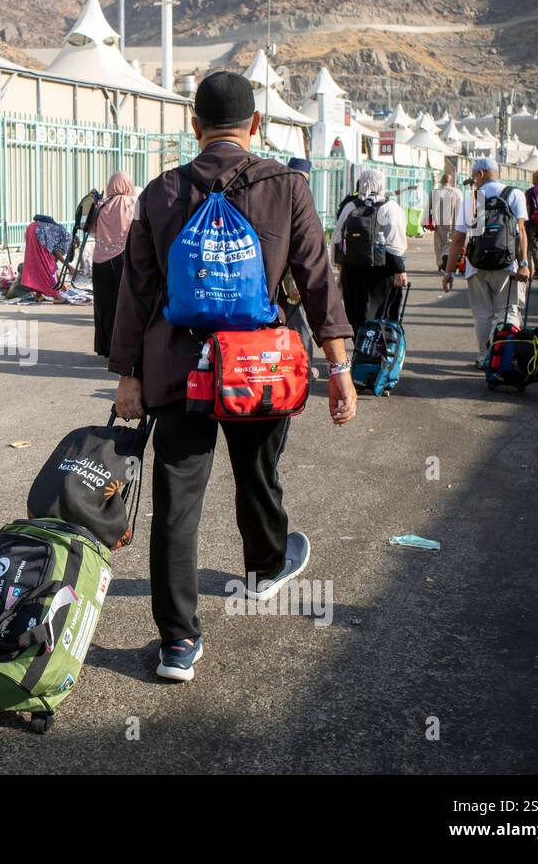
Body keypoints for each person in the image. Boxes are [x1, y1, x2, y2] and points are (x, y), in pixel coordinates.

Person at [110, 70, 356, 682]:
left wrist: (128, 376)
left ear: (194, 128)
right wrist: (340, 366)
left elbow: (135, 293)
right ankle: (266, 568)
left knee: (176, 502)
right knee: (258, 473)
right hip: (257, 368)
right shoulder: (287, 187)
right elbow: (318, 279)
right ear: (256, 126)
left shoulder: (161, 192)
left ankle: (177, 644)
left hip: (177, 368)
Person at [441, 157, 530, 365]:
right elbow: (522, 231)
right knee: (508, 310)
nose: (474, 181)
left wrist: (449, 271)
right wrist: (524, 263)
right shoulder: (514, 194)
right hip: (507, 264)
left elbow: (458, 239)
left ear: (481, 173)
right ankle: (505, 358)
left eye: (474, 176)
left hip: (477, 264)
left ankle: (484, 358)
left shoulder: (472, 198)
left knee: (482, 314)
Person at [333, 168, 409, 335]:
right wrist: (400, 269)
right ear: (382, 184)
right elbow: (395, 242)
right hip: (383, 271)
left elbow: (337, 236)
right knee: (383, 312)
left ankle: (360, 350)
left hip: (352, 269)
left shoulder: (350, 206)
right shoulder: (390, 207)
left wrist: (339, 263)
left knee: (356, 311)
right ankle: (380, 351)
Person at [90, 171, 134, 356]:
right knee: (124, 304)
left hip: (100, 261)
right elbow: (140, 230)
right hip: (123, 258)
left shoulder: (100, 205)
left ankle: (104, 346)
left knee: (103, 304)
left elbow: (93, 230)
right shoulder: (133, 203)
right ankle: (121, 349)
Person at [280, 158, 316, 369]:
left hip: (290, 275)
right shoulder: (294, 198)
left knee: (298, 323)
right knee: (295, 324)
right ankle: (299, 365)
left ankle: (302, 364)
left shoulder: (285, 196)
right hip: (287, 276)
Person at [8, 215, 72, 301]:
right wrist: (69, 266)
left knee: (37, 265)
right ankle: (56, 297)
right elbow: (56, 252)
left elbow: (54, 263)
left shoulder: (55, 230)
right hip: (39, 231)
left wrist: (62, 284)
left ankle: (39, 294)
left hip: (32, 228)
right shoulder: (68, 239)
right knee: (46, 268)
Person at [425, 172, 462, 272]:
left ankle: (440, 263)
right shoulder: (457, 192)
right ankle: (448, 261)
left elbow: (428, 208)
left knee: (439, 244)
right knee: (451, 243)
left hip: (439, 224)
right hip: (454, 223)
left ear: (441, 181)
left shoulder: (435, 192)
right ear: (451, 181)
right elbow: (461, 208)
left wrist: (425, 222)